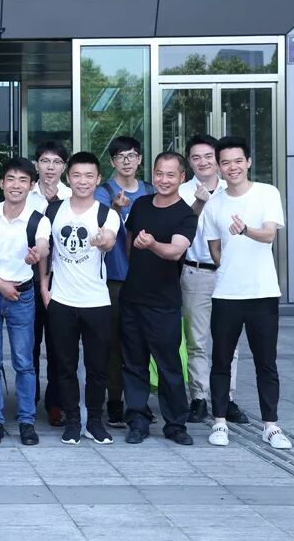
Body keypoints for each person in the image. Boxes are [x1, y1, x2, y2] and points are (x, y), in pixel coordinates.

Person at [202, 136, 291, 450]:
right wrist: (229, 267)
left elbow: (269, 235)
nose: (232, 167)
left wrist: (245, 230)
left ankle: (271, 426)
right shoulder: (215, 203)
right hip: (226, 294)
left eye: (238, 161)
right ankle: (219, 422)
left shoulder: (267, 193)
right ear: (219, 167)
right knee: (221, 361)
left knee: (266, 362)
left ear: (248, 162)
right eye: (225, 162)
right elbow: (214, 249)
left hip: (262, 293)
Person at [0, 157, 50, 447]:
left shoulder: (39, 218)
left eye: (23, 180)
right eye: (11, 179)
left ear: (31, 186)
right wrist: (0, 284)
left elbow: (43, 245)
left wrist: (36, 255)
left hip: (22, 296)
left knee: (24, 362)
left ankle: (26, 421)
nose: (16, 185)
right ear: (2, 183)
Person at [39, 152, 120, 445]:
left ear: (98, 179)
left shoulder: (106, 213)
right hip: (61, 300)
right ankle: (72, 421)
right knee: (65, 366)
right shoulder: (53, 211)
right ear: (68, 178)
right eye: (77, 175)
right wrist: (44, 286)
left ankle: (94, 422)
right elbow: (44, 249)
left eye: (89, 176)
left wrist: (102, 240)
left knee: (98, 368)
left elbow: (109, 240)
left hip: (97, 301)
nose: (82, 181)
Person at [120, 152, 197, 446]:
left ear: (182, 178)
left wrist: (152, 244)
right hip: (132, 298)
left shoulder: (186, 214)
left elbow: (175, 252)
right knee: (133, 364)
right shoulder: (140, 204)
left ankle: (176, 424)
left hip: (164, 302)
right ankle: (137, 421)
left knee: (169, 365)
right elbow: (129, 246)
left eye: (170, 175)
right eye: (159, 174)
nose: (163, 180)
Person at [178, 134, 245, 425]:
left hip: (229, 273)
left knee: (229, 341)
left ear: (217, 160)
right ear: (189, 162)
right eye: (196, 157)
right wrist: (198, 203)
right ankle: (199, 397)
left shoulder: (234, 190)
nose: (203, 162)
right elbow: (179, 228)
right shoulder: (182, 191)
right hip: (196, 272)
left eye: (208, 156)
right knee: (197, 340)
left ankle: (226, 398)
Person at [94, 136, 154, 428]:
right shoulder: (104, 192)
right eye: (120, 156)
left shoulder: (151, 191)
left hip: (147, 279)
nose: (127, 161)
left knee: (144, 343)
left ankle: (139, 402)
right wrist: (117, 210)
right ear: (112, 161)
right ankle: (115, 401)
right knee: (114, 344)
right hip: (114, 279)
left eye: (132, 155)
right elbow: (99, 228)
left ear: (140, 159)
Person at [27, 140, 73, 426]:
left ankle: (57, 402)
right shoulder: (25, 194)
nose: (50, 167)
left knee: (59, 344)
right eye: (45, 161)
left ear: (64, 167)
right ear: (37, 165)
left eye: (57, 162)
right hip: (27, 278)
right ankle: (29, 400)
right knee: (29, 343)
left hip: (62, 280)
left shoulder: (72, 196)